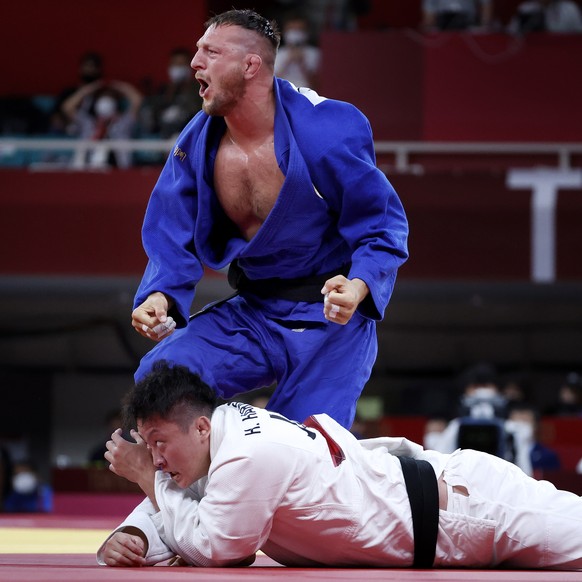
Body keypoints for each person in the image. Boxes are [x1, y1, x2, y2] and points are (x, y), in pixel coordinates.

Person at [130, 9, 409, 430]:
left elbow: (382, 225)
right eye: (196, 51)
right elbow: (171, 231)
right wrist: (160, 296)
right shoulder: (196, 141)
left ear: (250, 65)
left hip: (330, 321)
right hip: (255, 313)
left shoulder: (327, 129)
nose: (194, 62)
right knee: (163, 378)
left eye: (210, 51)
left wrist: (358, 284)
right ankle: (208, 486)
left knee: (305, 453)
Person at [98, 361, 582, 569]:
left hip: (472, 509)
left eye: (160, 444)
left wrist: (145, 478)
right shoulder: (221, 441)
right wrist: (136, 535)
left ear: (199, 427)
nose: (157, 461)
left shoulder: (248, 453)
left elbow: (218, 547)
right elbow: (190, 501)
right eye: (151, 450)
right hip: (447, 514)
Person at [423, 363, 535, 475]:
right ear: (466, 390)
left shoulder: (511, 429)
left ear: (497, 389)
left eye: (486, 385)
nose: (482, 391)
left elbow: (524, 468)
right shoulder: (457, 426)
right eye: (476, 386)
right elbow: (441, 463)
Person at [61, 79, 143, 168]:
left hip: (117, 171)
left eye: (109, 98)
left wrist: (117, 86)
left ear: (114, 103)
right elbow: (67, 107)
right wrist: (89, 89)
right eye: (102, 98)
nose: (105, 101)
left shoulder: (123, 123)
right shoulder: (88, 123)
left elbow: (137, 100)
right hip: (86, 169)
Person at [138, 47, 203, 140]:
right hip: (162, 142)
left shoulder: (199, 91)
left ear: (190, 67)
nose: (178, 68)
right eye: (175, 64)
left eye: (182, 64)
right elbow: (152, 122)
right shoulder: (162, 91)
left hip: (189, 138)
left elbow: (197, 117)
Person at [274, 12, 321, 90]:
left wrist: (302, 63)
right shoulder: (277, 53)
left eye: (299, 29)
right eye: (292, 29)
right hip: (285, 94)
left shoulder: (315, 53)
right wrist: (288, 61)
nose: (295, 33)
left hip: (307, 94)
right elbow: (273, 83)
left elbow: (317, 85)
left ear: (307, 32)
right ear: (285, 32)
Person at [508, 0, 582, 33]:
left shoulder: (570, 8)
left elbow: (579, 36)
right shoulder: (525, 9)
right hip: (534, 53)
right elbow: (511, 33)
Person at [421, 0, 494, 30]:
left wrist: (484, 25)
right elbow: (429, 17)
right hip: (442, 27)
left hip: (469, 26)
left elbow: (486, 4)